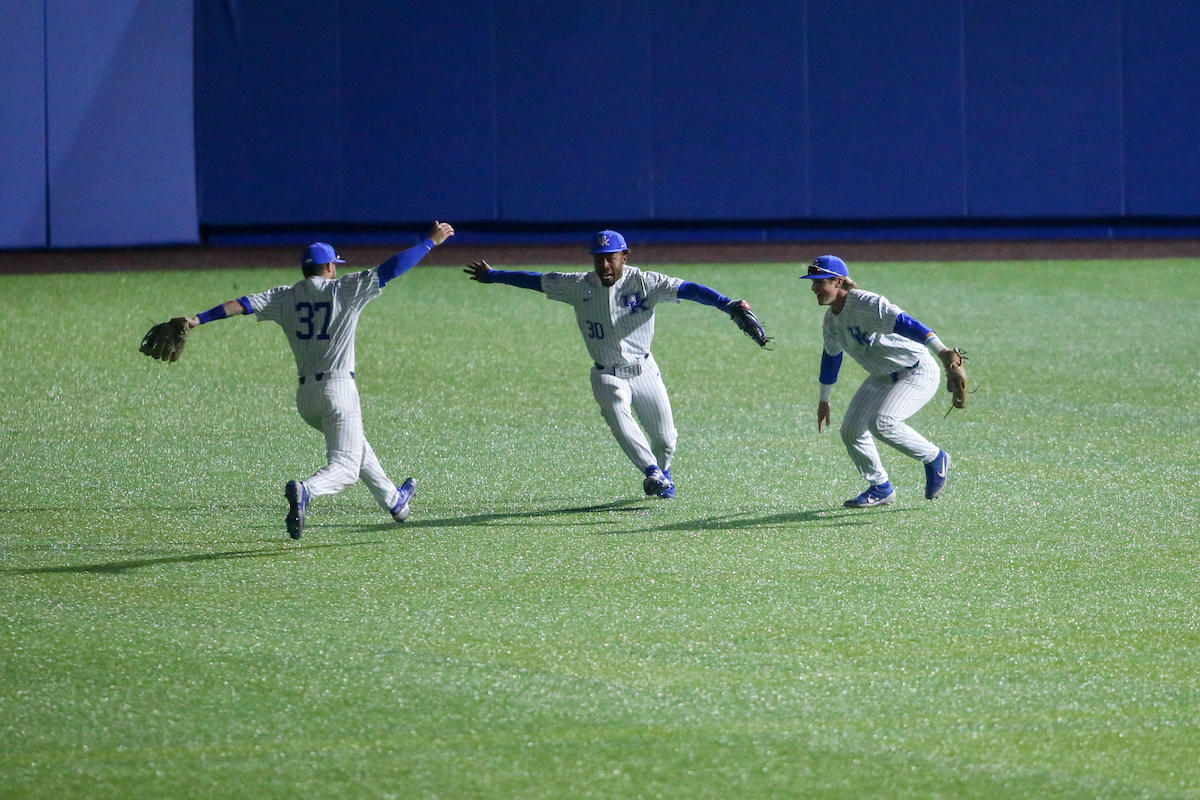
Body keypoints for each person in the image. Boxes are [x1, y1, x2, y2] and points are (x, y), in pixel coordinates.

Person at [176, 222, 454, 538]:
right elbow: (392, 268)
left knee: (356, 446)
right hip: (339, 391)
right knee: (346, 468)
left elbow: (241, 304)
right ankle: (307, 490)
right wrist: (431, 242)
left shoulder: (284, 296)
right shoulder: (346, 289)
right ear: (330, 267)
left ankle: (395, 503)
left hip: (307, 399)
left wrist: (197, 319)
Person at [464, 229, 762, 499]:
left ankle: (663, 470)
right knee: (618, 411)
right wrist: (494, 275)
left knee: (666, 440)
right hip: (607, 374)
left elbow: (690, 289)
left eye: (610, 259)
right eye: (599, 259)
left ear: (624, 256)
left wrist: (726, 303)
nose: (604, 266)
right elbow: (535, 280)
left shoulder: (646, 281)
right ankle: (651, 472)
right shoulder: (578, 285)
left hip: (644, 369)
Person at [799, 254, 959, 508]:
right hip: (882, 376)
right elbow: (831, 360)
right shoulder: (831, 321)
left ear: (839, 282)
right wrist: (823, 400)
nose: (814, 288)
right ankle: (881, 487)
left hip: (917, 370)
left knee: (883, 422)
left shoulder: (867, 303)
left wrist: (941, 351)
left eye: (820, 281)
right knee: (851, 431)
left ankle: (935, 458)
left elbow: (907, 323)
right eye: (813, 282)